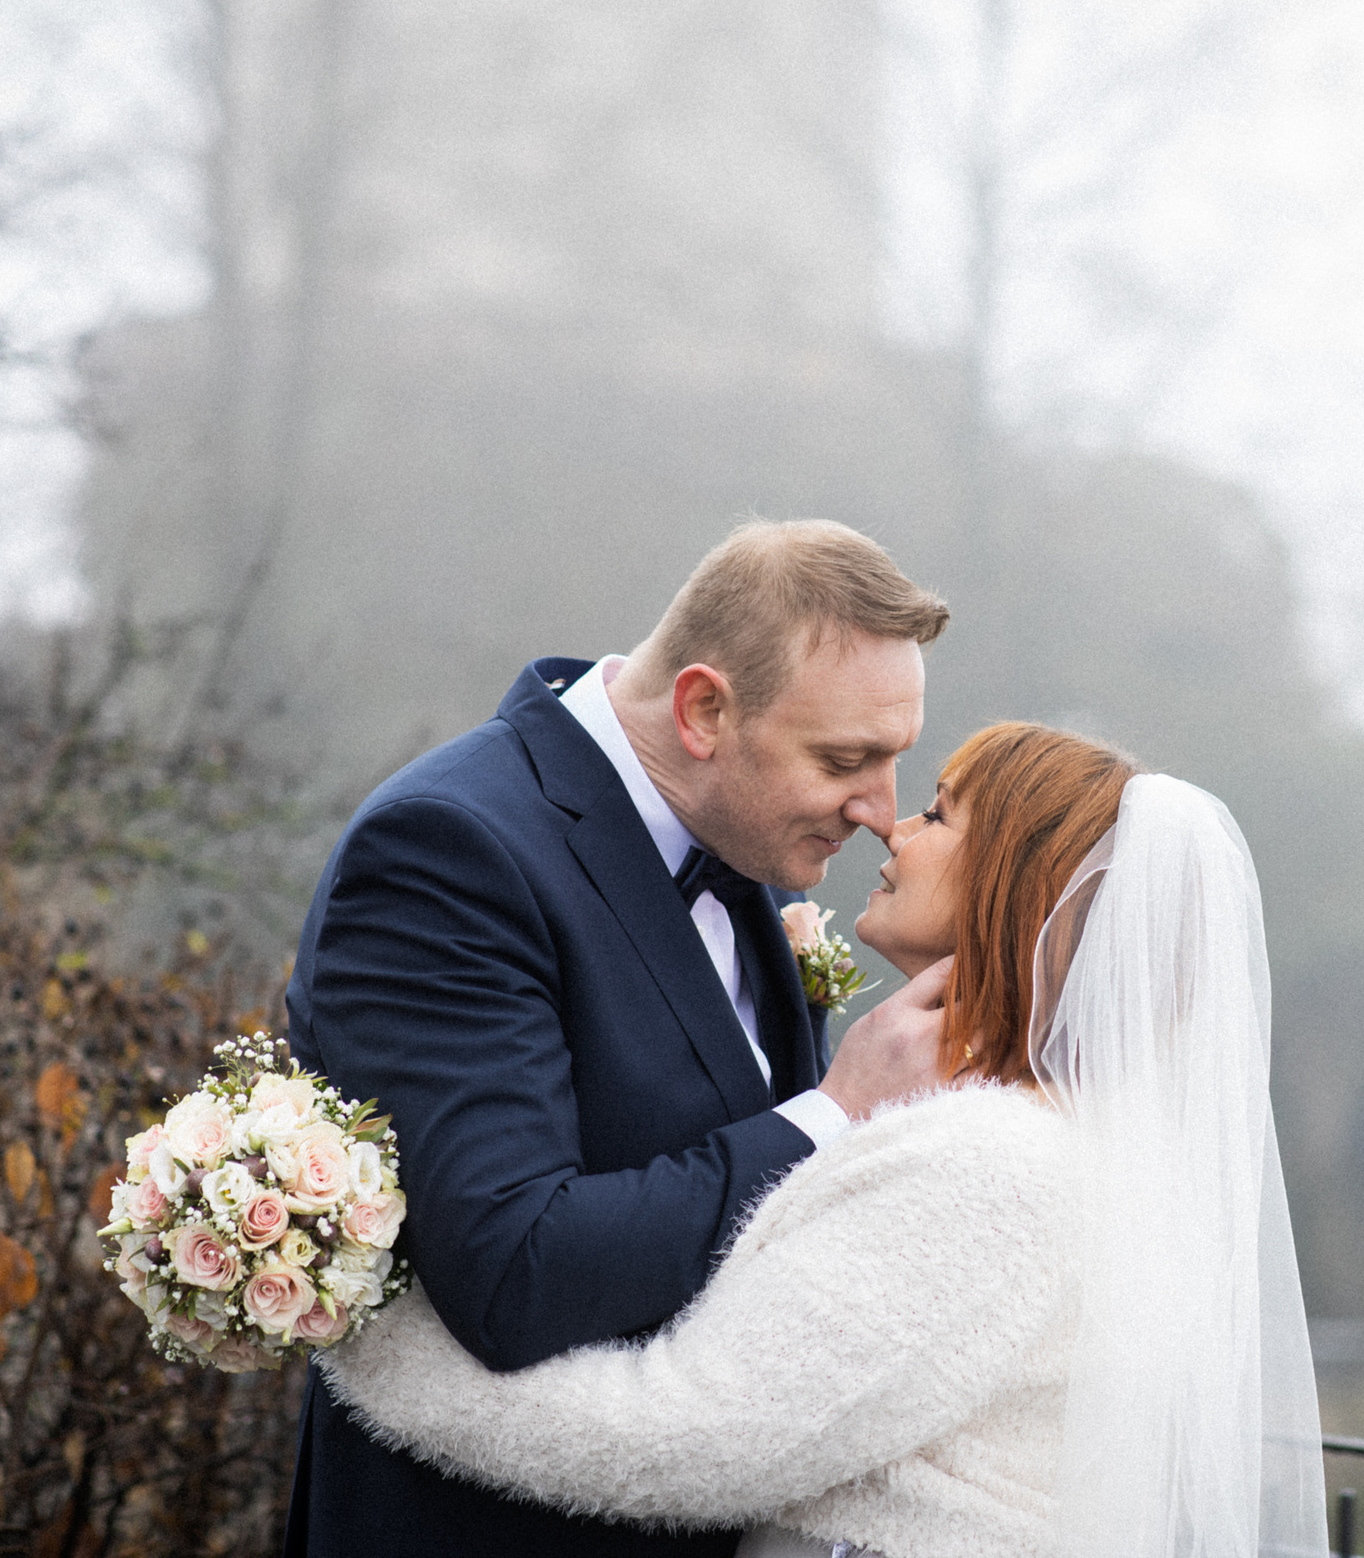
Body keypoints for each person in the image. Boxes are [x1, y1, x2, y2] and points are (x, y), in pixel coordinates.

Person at [319, 722, 1329, 1558]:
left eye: (939, 813)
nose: (893, 825)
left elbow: (689, 1436)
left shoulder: (989, 1167)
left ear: (1014, 886)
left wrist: (370, 1331)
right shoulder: (1067, 1146)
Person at [282, 520, 959, 1558]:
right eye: (846, 760)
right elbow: (514, 1269)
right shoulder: (448, 852)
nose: (881, 811)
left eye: (894, 762)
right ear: (702, 710)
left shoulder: (741, 839)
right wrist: (833, 1114)